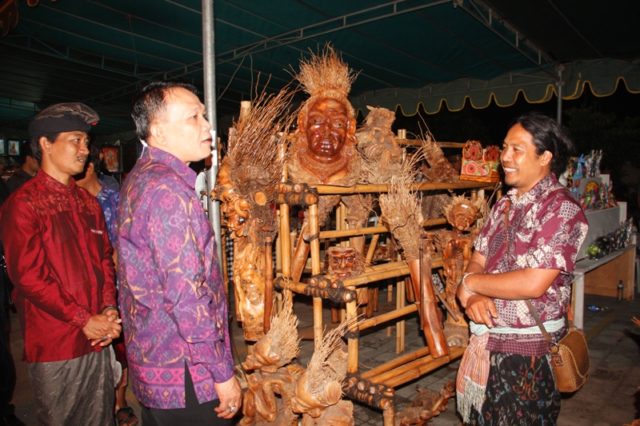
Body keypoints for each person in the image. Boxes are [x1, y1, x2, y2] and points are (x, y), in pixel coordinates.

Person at [117, 81, 241, 425]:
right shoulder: (167, 190)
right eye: (193, 117)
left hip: (154, 361)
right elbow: (187, 295)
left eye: (203, 115)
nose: (207, 126)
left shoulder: (140, 177)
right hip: (187, 369)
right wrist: (221, 373)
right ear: (159, 130)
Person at [455, 112, 589, 425]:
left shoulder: (562, 209)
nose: (504, 157)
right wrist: (472, 296)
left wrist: (470, 284)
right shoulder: (504, 203)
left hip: (529, 355)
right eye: (504, 148)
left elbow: (532, 283)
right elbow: (479, 255)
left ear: (545, 157)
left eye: (517, 149)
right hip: (488, 343)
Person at [0, 102, 122, 425]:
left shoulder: (87, 203)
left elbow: (104, 260)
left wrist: (109, 307)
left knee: (102, 417)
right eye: (75, 140)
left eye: (86, 141)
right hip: (57, 343)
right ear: (45, 144)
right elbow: (29, 276)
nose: (85, 149)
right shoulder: (24, 205)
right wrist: (83, 318)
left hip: (98, 336)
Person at [75, 147, 137, 426]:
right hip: (83, 290)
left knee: (118, 350)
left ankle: (120, 401)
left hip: (115, 286)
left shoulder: (112, 199)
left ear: (89, 169)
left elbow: (122, 248)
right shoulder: (71, 202)